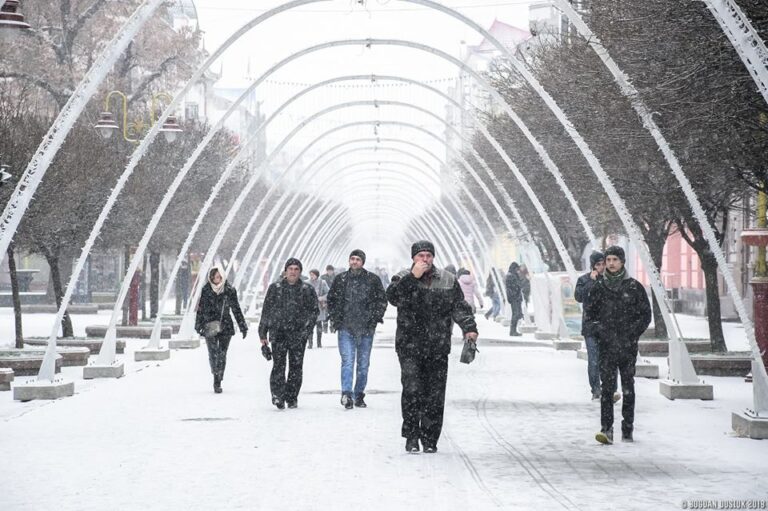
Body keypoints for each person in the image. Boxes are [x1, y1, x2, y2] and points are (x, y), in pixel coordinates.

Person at [386, 240, 478, 453]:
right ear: (413, 258)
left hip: (437, 345)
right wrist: (413, 277)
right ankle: (411, 435)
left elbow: (459, 306)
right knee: (411, 390)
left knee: (434, 395)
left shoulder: (447, 280)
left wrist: (469, 328)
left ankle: (430, 438)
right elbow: (393, 297)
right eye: (420, 256)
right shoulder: (402, 278)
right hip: (409, 346)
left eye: (428, 256)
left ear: (433, 257)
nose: (425, 260)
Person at [585, 246, 651, 444]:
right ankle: (607, 428)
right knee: (607, 389)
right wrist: (600, 331)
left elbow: (645, 315)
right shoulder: (598, 288)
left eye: (615, 259)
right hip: (607, 346)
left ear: (622, 262)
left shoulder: (634, 287)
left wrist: (632, 333)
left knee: (628, 387)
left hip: (627, 346)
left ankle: (627, 428)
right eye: (608, 259)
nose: (611, 263)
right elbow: (589, 315)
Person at [327, 249, 388, 409]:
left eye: (358, 259)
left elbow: (381, 300)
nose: (354, 262)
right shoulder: (341, 279)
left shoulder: (372, 280)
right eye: (352, 259)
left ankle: (359, 394)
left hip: (366, 328)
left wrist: (374, 318)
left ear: (363, 262)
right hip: (346, 327)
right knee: (347, 361)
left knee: (363, 364)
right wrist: (336, 318)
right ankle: (346, 393)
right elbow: (331, 299)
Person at [258, 258, 319, 410]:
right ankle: (278, 396)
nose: (293, 271)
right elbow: (266, 311)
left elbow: (314, 312)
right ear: (285, 271)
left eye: (296, 269)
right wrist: (262, 333)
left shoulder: (307, 290)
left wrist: (307, 330)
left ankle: (292, 397)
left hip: (298, 334)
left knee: (296, 366)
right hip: (278, 333)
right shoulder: (275, 288)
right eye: (290, 268)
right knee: (278, 365)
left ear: (300, 272)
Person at [195, 266, 248, 394]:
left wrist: (243, 326)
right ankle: (216, 377)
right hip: (209, 325)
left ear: (223, 277)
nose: (216, 280)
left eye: (218, 277)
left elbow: (236, 309)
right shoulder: (206, 290)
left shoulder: (229, 290)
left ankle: (219, 376)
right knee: (213, 353)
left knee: (222, 353)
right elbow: (200, 309)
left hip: (225, 326)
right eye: (214, 277)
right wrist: (198, 325)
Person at [575, 251, 606, 400]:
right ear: (593, 266)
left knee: (607, 360)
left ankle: (609, 389)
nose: (601, 267)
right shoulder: (584, 280)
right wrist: (591, 282)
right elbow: (579, 297)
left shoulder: (608, 280)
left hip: (607, 326)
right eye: (598, 264)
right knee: (593, 360)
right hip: (590, 327)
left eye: (603, 264)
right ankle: (596, 389)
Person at [308, 269, 329, 348]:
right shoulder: (307, 283)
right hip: (309, 307)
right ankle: (310, 343)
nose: (311, 276)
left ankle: (319, 343)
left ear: (317, 275)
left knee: (319, 324)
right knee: (310, 326)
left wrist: (322, 298)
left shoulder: (322, 283)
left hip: (319, 306)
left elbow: (328, 293)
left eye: (313, 275)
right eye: (310, 275)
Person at [505, 262, 524, 336]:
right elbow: (515, 286)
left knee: (516, 314)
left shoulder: (512, 275)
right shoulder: (511, 276)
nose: (518, 270)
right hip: (515, 298)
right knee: (515, 314)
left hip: (515, 297)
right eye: (517, 268)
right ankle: (513, 331)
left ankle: (513, 330)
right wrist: (515, 293)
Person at [320, 265, 336, 332]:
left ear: (333, 271)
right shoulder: (323, 277)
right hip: (325, 297)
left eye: (331, 270)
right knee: (325, 312)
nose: (330, 272)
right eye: (328, 270)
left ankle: (332, 326)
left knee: (333, 312)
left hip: (334, 297)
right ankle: (325, 327)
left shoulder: (336, 277)